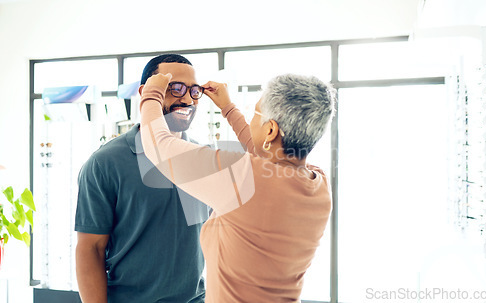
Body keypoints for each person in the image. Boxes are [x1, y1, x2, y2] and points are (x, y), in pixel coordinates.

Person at [140, 72, 335, 302]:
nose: (252, 119)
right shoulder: (319, 185)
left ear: (270, 130)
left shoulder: (244, 177)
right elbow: (266, 154)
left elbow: (160, 148)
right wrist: (228, 108)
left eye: (255, 113)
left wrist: (151, 93)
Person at [75, 54, 209, 303]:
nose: (187, 98)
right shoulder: (105, 163)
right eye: (175, 88)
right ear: (147, 93)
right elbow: (90, 249)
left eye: (194, 90)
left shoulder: (205, 160)